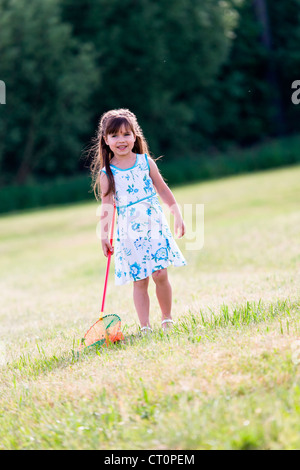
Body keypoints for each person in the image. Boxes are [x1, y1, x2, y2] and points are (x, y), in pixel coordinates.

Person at [89, 109, 187, 333]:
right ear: (106, 140)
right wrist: (104, 235)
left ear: (135, 136)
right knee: (140, 279)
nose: (121, 140)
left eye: (126, 134)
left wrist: (177, 213)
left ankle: (166, 319)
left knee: (160, 274)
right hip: (129, 233)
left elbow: (162, 188)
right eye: (114, 135)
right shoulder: (107, 173)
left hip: (155, 225)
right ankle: (145, 326)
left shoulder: (146, 162)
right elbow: (106, 207)